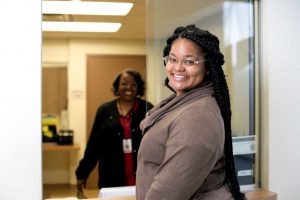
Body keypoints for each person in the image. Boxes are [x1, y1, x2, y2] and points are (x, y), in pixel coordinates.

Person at [136, 25, 246, 200]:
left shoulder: (197, 118)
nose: (178, 68)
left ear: (208, 67)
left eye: (189, 61)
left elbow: (167, 194)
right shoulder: (181, 103)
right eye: (173, 59)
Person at [75, 69, 153, 195]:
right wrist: (82, 173)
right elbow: (94, 146)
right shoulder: (105, 110)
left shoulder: (147, 109)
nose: (129, 87)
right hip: (111, 176)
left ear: (139, 88)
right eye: (124, 84)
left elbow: (155, 145)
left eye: (133, 84)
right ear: (117, 86)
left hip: (142, 175)